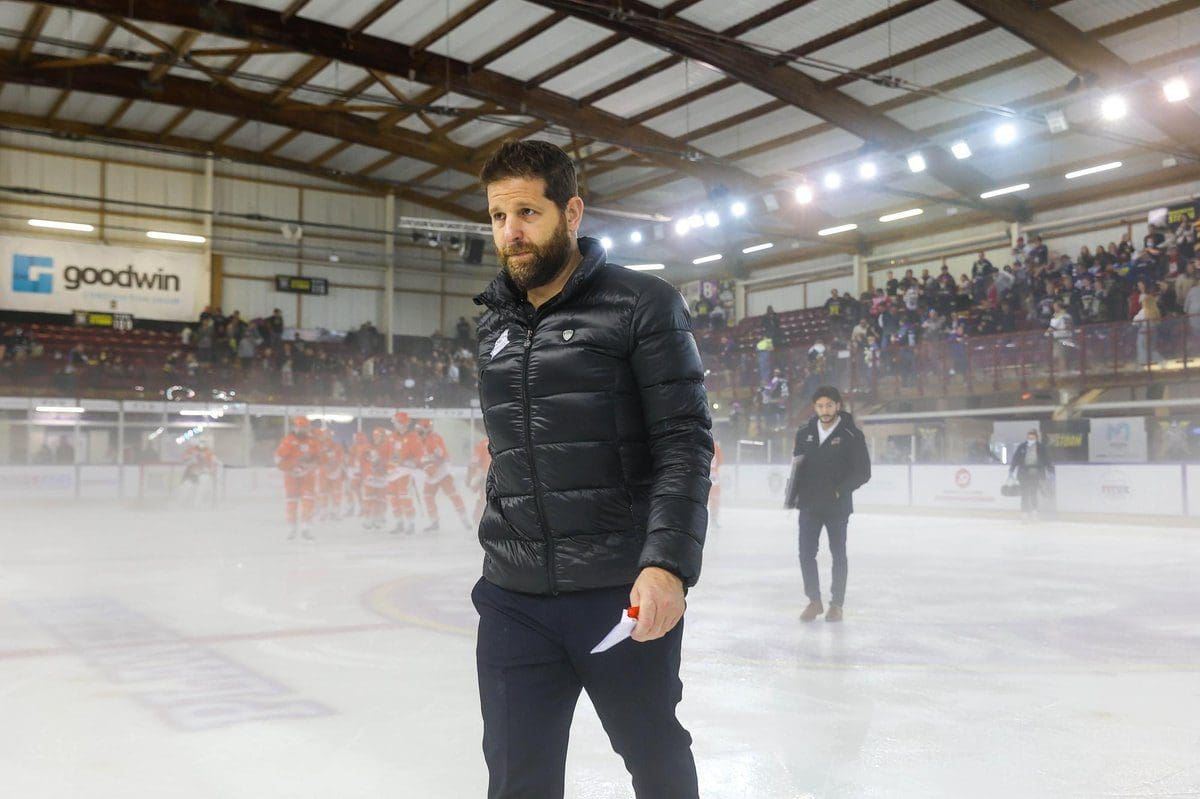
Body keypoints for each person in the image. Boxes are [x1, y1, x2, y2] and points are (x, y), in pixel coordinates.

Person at [472, 140, 712, 799]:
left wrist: (666, 564)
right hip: (513, 597)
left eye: (527, 211)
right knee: (518, 778)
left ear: (571, 212)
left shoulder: (643, 304)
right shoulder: (492, 327)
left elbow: (685, 443)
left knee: (655, 757)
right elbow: (509, 455)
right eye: (497, 216)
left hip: (617, 592)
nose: (511, 232)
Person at [789, 386, 871, 623]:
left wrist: (838, 490)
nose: (824, 410)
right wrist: (792, 495)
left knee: (838, 555)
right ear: (815, 408)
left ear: (838, 406)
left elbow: (863, 472)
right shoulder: (805, 432)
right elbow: (798, 465)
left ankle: (837, 604)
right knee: (806, 554)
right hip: (809, 506)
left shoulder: (852, 434)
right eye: (820, 406)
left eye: (829, 405)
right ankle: (814, 601)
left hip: (837, 507)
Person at [415, 418, 470, 532]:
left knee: (453, 495)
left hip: (442, 472)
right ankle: (434, 522)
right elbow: (419, 459)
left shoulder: (434, 438)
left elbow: (440, 456)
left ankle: (465, 520)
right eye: (418, 430)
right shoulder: (420, 441)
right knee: (428, 496)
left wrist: (429, 463)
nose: (418, 433)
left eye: (420, 430)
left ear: (427, 429)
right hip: (431, 474)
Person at [274, 417, 319, 540]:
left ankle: (306, 528)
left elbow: (316, 458)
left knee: (308, 502)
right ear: (295, 427)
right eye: (300, 427)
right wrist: (290, 467)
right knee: (291, 503)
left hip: (307, 476)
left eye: (305, 427)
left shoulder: (312, 442)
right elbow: (278, 459)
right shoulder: (287, 441)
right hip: (291, 477)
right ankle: (291, 528)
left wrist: (310, 463)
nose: (302, 429)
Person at [1008, 430, 1053, 521]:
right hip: (1023, 473)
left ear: (1036, 438)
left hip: (1035, 473)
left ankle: (1034, 512)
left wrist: (1050, 471)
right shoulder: (1022, 447)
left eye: (1032, 438)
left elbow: (1047, 460)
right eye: (1029, 438)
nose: (1030, 440)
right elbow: (1015, 458)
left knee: (1033, 493)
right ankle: (1024, 513)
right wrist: (1011, 470)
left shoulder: (1041, 448)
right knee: (1024, 494)